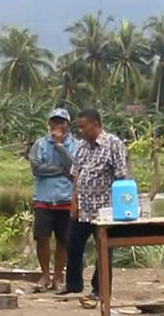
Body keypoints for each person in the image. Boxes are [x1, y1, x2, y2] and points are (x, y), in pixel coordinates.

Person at [57, 108, 128, 302]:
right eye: (78, 128)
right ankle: (73, 284)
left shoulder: (113, 144)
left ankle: (100, 289)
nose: (81, 131)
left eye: (84, 127)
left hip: (104, 209)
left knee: (104, 250)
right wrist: (74, 202)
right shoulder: (81, 146)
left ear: (96, 125)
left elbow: (121, 176)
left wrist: (121, 207)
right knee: (72, 244)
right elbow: (76, 174)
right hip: (83, 208)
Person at [28, 107, 77, 291]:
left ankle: (58, 277)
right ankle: (44, 275)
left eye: (61, 122)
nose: (57, 126)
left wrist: (59, 146)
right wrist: (61, 171)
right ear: (49, 124)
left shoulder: (76, 145)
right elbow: (37, 168)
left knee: (63, 240)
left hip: (66, 199)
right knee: (41, 238)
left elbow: (74, 168)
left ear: (68, 125)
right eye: (54, 122)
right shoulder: (39, 145)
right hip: (43, 199)